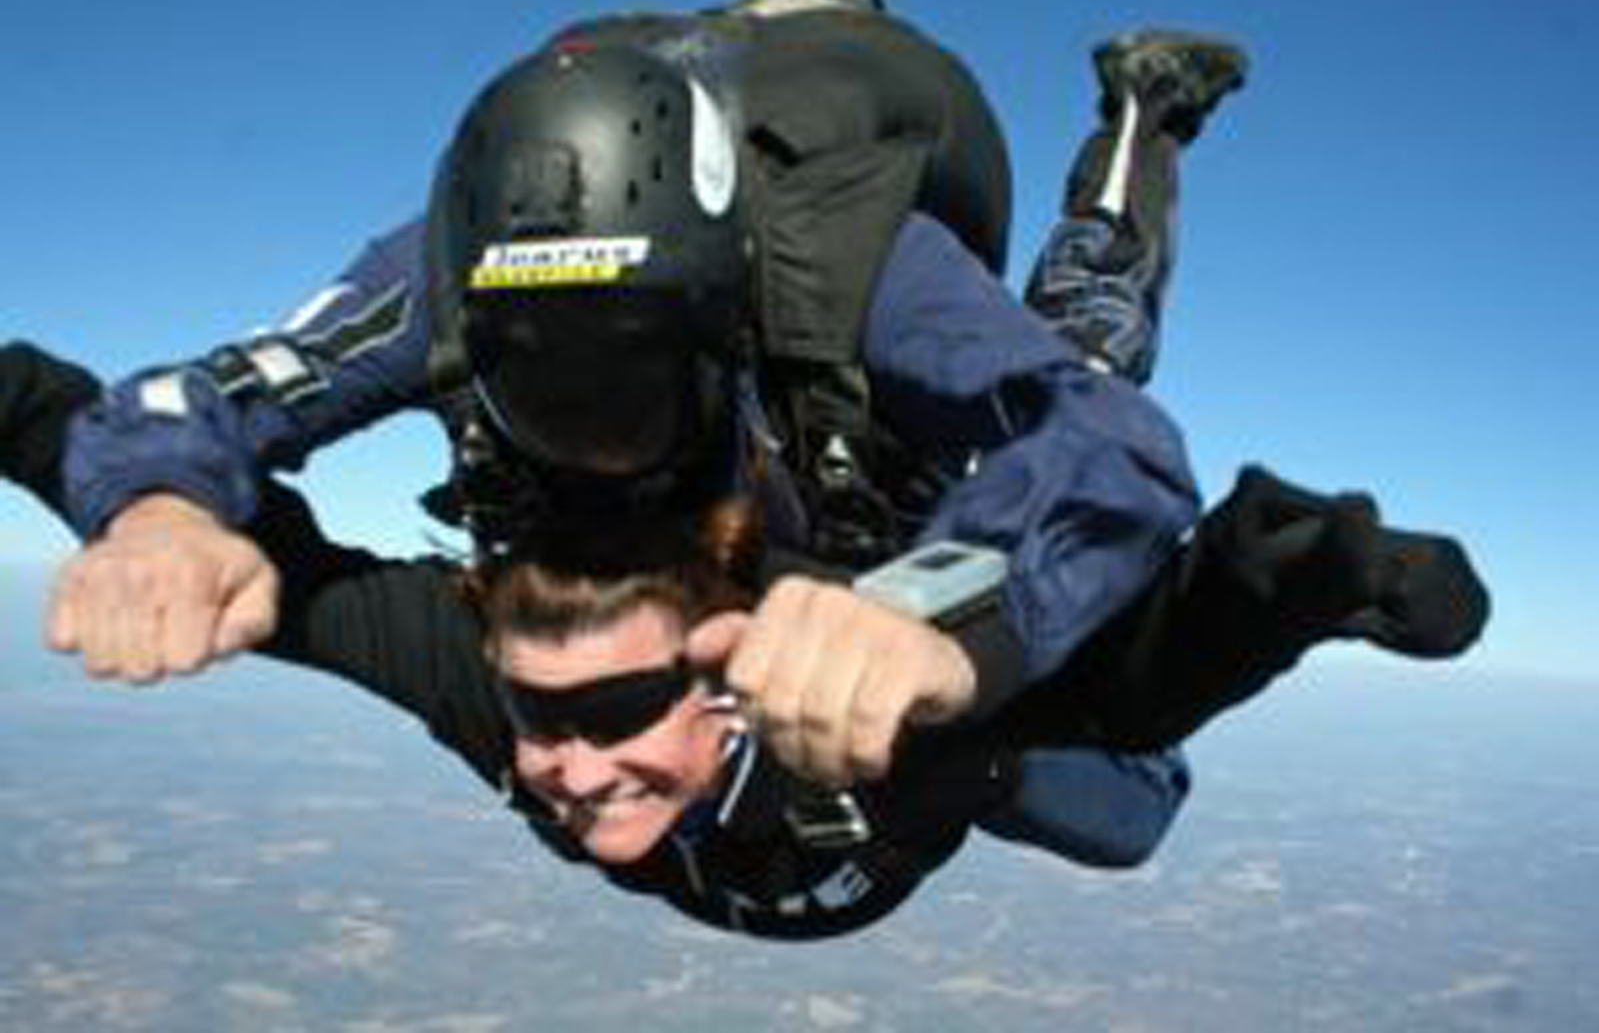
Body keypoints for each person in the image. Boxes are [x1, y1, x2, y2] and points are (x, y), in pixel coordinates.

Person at [52, 0, 1247, 780]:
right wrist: (158, 508)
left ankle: (1147, 116)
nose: (593, 447)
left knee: (1090, 338)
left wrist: (944, 611)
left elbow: (1106, 439)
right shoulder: (446, 275)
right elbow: (195, 396)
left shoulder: (848, 262)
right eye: (541, 379)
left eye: (633, 379)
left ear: (718, 316)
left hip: (854, 235)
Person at [5, 341, 1485, 940]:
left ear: (723, 673)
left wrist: (1272, 591)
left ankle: (1134, 141)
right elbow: (264, 565)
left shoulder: (856, 701)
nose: (564, 765)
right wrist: (145, 512)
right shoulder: (494, 679)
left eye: (618, 707)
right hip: (901, 764)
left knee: (1113, 802)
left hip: (963, 738)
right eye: (538, 714)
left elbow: (1110, 675)